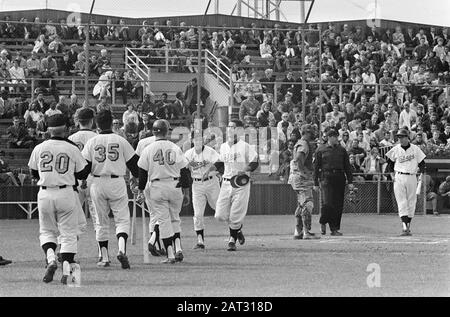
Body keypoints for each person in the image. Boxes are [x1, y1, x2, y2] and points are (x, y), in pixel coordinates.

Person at [28, 114, 90, 284]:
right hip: (66, 192)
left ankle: (50, 260)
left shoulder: (39, 147)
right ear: (66, 129)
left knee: (47, 231)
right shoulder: (71, 148)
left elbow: (33, 172)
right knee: (68, 234)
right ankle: (66, 270)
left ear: (48, 129)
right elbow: (83, 173)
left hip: (45, 192)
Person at [81, 110, 139, 269]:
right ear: (111, 122)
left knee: (101, 221)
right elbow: (135, 164)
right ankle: (121, 250)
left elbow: (83, 167)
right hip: (117, 182)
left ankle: (104, 257)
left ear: (96, 124)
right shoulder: (120, 140)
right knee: (122, 219)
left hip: (97, 182)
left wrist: (83, 181)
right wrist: (136, 179)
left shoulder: (92, 142)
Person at [137, 120, 191, 263]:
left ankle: (171, 255)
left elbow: (142, 173)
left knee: (163, 222)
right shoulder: (175, 147)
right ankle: (178, 248)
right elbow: (185, 171)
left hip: (157, 186)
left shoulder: (148, 148)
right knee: (175, 219)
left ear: (153, 131)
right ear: (167, 131)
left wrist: (140, 190)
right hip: (175, 185)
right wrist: (186, 192)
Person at [214, 120, 259, 251]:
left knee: (235, 215)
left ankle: (232, 240)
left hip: (240, 183)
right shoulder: (223, 146)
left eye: (233, 127)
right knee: (220, 215)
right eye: (229, 126)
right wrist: (211, 169)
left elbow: (255, 161)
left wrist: (246, 169)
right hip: (226, 182)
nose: (230, 128)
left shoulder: (245, 146)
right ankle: (238, 230)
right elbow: (220, 163)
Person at [67, 108, 100, 258]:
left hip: (75, 179)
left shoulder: (71, 138)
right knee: (98, 218)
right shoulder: (97, 136)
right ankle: (102, 253)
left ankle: (67, 251)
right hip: (94, 178)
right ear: (92, 120)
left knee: (71, 218)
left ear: (77, 120)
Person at [385, 128, 426, 236]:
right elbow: (389, 163)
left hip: (412, 177)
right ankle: (404, 225)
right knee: (401, 201)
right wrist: (391, 174)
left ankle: (408, 225)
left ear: (407, 137)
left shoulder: (415, 149)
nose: (400, 139)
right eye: (399, 137)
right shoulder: (395, 149)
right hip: (399, 176)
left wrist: (421, 172)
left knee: (412, 202)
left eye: (402, 137)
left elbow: (422, 163)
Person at [184, 130, 221, 249]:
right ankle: (200, 241)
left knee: (220, 211)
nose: (198, 141)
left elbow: (220, 164)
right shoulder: (188, 154)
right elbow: (183, 169)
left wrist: (210, 169)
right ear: (192, 140)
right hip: (197, 185)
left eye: (200, 139)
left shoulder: (210, 152)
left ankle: (236, 231)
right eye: (196, 139)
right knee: (198, 213)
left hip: (211, 183)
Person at [314, 128, 354, 236]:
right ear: (329, 137)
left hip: (339, 177)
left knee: (338, 205)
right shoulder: (320, 149)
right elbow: (316, 167)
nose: (336, 139)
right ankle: (323, 221)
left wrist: (350, 182)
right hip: (326, 177)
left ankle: (334, 228)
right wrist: (315, 183)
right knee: (327, 203)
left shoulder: (342, 150)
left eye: (337, 136)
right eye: (334, 137)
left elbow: (347, 167)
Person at [288, 124, 320, 240]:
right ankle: (306, 232)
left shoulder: (300, 142)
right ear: (307, 133)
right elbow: (298, 158)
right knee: (308, 203)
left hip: (296, 177)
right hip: (300, 178)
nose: (313, 134)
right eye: (311, 132)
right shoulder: (304, 143)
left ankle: (298, 231)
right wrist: (302, 172)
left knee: (301, 204)